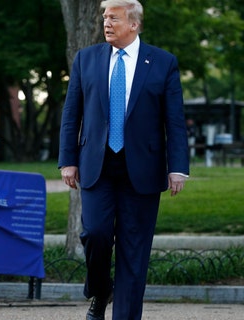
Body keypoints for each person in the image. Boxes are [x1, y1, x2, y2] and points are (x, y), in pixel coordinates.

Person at [57, 1, 189, 319]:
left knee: (134, 251)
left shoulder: (162, 62)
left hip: (142, 170)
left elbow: (174, 120)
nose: (106, 22)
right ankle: (101, 291)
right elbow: (71, 113)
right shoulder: (85, 59)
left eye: (113, 17)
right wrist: (67, 160)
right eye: (104, 17)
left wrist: (178, 167)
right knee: (96, 234)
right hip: (95, 166)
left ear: (134, 24)